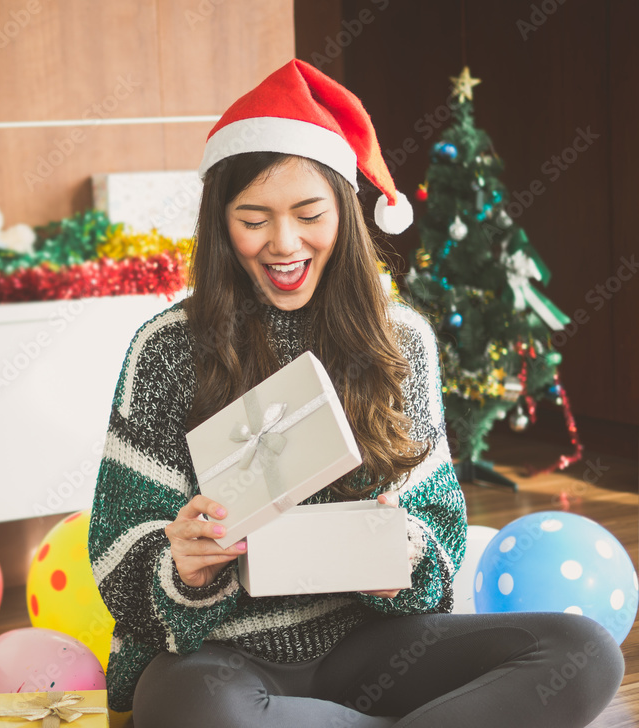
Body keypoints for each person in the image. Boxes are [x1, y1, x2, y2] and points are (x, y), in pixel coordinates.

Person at [88, 60, 624, 728]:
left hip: (372, 652)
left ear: (344, 209)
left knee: (583, 652)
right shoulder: (166, 347)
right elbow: (117, 549)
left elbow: (441, 530)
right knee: (184, 707)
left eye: (309, 214)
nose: (284, 244)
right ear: (220, 223)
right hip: (224, 662)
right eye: (253, 219)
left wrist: (408, 553)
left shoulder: (402, 340)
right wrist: (184, 567)